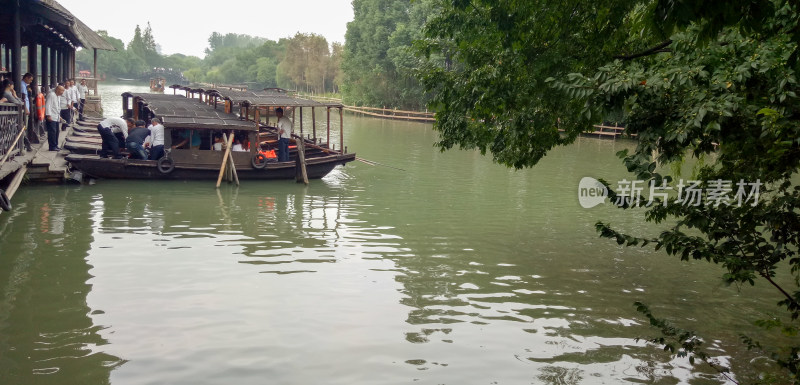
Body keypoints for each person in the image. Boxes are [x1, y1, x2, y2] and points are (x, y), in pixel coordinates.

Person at [44, 85, 65, 151]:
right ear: (57, 90)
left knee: (56, 132)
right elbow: (48, 105)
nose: (62, 92)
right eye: (61, 90)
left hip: (56, 117)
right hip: (51, 116)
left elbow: (57, 107)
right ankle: (52, 146)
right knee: (52, 132)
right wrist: (48, 115)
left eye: (63, 91)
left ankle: (55, 145)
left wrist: (60, 116)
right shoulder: (51, 95)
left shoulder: (58, 96)